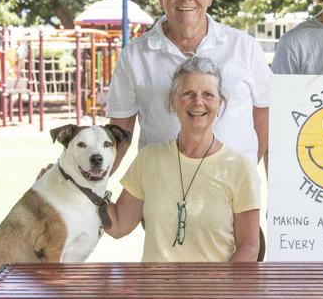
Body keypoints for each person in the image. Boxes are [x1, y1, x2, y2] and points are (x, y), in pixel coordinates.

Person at [107, 0, 271, 171]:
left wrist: (246, 171)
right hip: (161, 192)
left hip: (233, 195)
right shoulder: (134, 56)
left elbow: (265, 116)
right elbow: (119, 132)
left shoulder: (245, 47)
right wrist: (82, 185)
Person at [106, 57, 260, 262]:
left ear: (219, 103)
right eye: (188, 93)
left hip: (212, 291)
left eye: (208, 94)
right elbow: (118, 225)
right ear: (173, 100)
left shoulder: (240, 167)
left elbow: (249, 246)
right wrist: (78, 185)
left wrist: (220, 287)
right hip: (156, 291)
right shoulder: (149, 159)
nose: (198, 102)